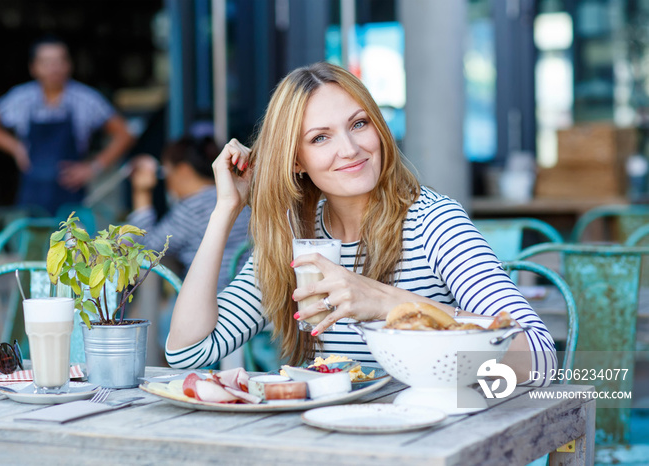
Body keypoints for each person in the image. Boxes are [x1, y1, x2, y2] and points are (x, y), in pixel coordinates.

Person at [165, 62, 556, 386]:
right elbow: (187, 351)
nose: (350, 149)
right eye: (320, 138)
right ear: (296, 161)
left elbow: (539, 359)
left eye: (359, 124)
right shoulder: (299, 239)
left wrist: (389, 302)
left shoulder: (432, 222)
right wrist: (225, 210)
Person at [0, 35, 134, 214]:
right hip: (32, 194)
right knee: (33, 239)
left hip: (71, 194)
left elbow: (125, 134)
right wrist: (16, 148)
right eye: (47, 62)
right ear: (33, 68)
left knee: (73, 240)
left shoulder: (86, 99)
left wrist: (93, 167)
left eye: (60, 61)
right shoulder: (22, 98)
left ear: (69, 65)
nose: (54, 68)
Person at [126, 135, 251, 292]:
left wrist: (141, 192)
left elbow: (145, 250)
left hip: (213, 298)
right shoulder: (238, 195)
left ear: (184, 171)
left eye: (165, 172)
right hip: (247, 294)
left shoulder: (191, 209)